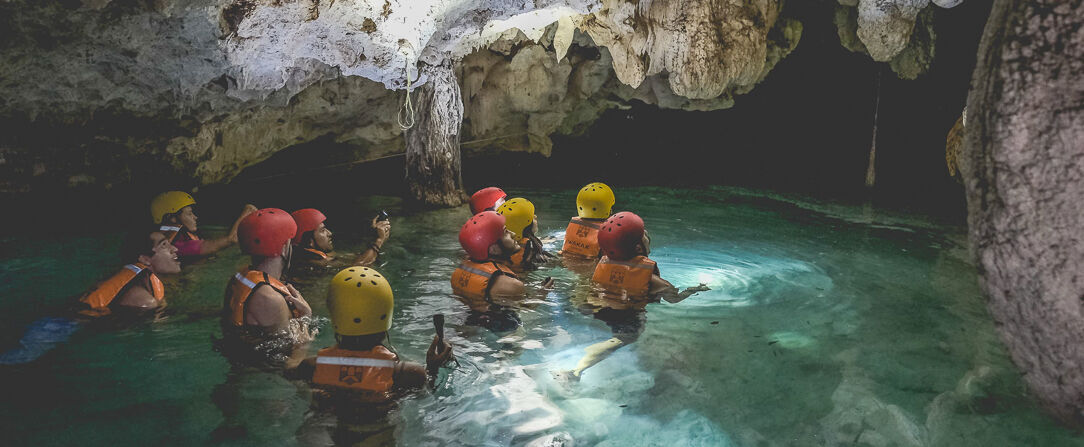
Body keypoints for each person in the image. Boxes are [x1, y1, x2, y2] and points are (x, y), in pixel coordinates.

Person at [556, 212, 709, 382]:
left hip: (594, 308)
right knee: (625, 338)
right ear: (638, 248)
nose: (647, 235)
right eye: (643, 235)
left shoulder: (601, 265)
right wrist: (697, 289)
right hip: (625, 316)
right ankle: (576, 370)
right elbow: (674, 299)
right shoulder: (654, 281)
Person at [0, 227, 182, 364]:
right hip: (56, 328)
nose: (175, 249)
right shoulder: (142, 298)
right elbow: (125, 333)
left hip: (60, 317)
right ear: (145, 259)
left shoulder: (141, 279)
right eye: (165, 245)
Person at [287, 266, 453, 402]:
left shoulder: (310, 367)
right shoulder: (407, 374)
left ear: (334, 313)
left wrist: (301, 343)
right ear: (386, 314)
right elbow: (427, 394)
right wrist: (433, 368)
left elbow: (288, 371)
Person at [222, 208, 313, 346]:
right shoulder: (271, 299)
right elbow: (290, 363)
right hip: (263, 367)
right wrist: (305, 321)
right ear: (284, 248)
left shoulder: (240, 277)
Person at [450, 211, 537, 332]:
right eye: (506, 232)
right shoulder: (512, 285)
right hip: (502, 329)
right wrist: (542, 294)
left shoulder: (458, 272)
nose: (513, 234)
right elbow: (527, 308)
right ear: (494, 249)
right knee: (520, 335)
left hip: (467, 320)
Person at [150, 190, 257, 258]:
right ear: (172, 219)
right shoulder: (179, 247)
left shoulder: (180, 239)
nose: (195, 217)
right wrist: (247, 212)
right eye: (189, 214)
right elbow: (232, 239)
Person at [291, 208, 391, 268]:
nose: (329, 233)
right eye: (322, 231)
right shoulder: (315, 263)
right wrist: (378, 240)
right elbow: (358, 267)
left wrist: (374, 235)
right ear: (310, 242)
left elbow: (353, 258)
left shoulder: (319, 255)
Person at [560, 182, 615, 259]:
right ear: (607, 207)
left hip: (565, 262)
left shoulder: (575, 223)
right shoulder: (607, 232)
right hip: (590, 267)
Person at [495, 198, 551, 271]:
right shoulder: (529, 247)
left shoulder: (503, 246)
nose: (536, 217)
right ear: (523, 226)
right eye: (532, 217)